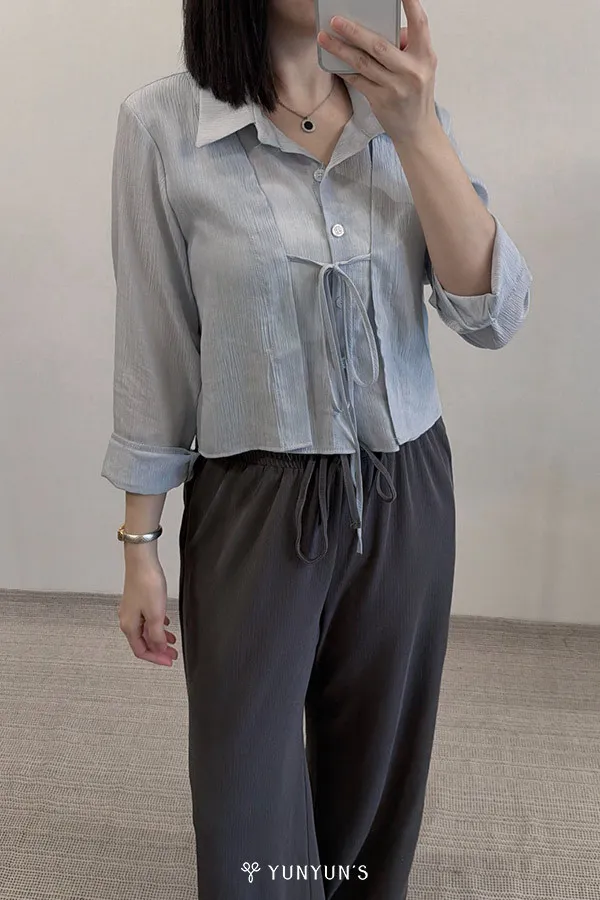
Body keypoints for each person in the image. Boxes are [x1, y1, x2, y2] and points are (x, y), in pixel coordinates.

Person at [101, 0, 532, 897]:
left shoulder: (403, 112)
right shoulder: (162, 126)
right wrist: (140, 543)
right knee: (244, 789)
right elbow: (156, 348)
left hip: (405, 491)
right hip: (252, 503)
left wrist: (417, 129)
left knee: (376, 778)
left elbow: (491, 315)